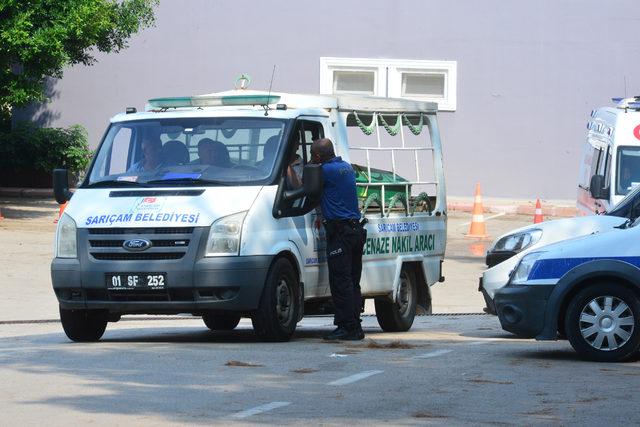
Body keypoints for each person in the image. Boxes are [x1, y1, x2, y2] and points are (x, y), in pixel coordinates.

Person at [310, 138, 367, 341]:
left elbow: (305, 189)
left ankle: (347, 327)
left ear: (318, 156)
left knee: (341, 283)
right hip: (355, 231)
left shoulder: (324, 171)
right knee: (352, 281)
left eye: (312, 154)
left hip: (341, 233)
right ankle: (355, 326)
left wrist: (290, 166)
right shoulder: (345, 167)